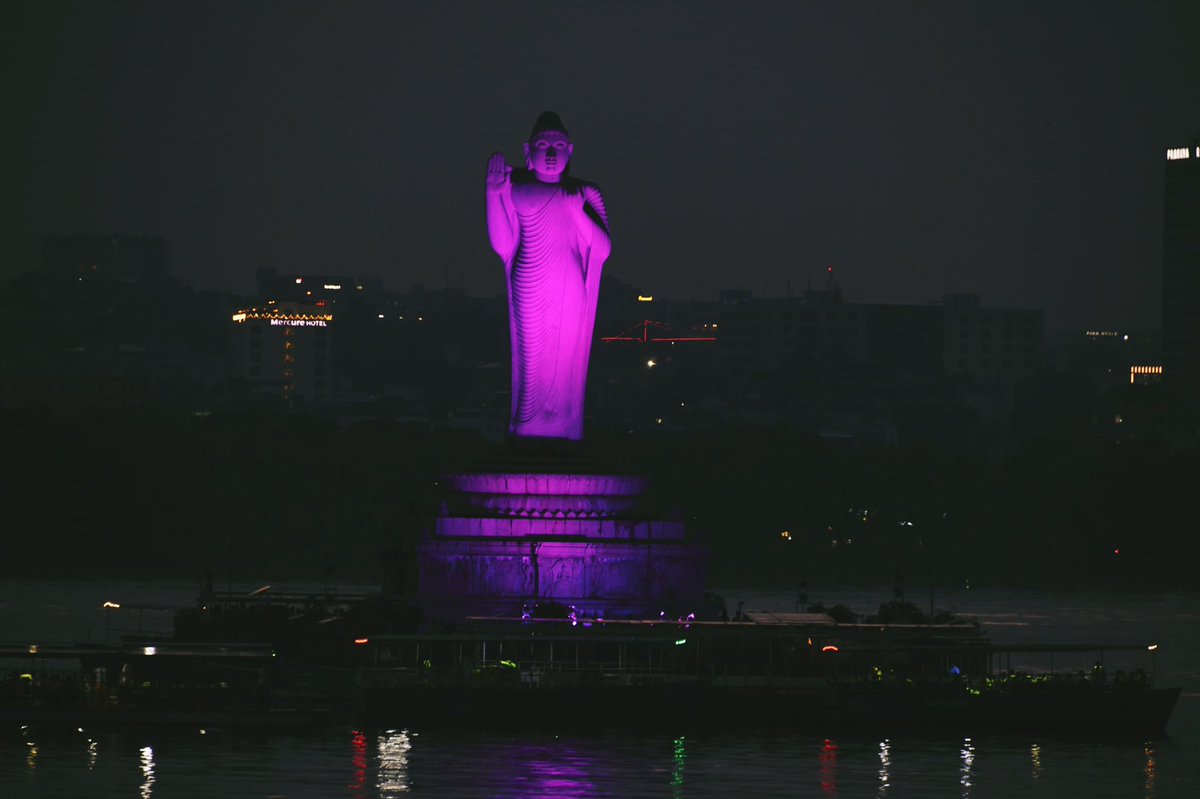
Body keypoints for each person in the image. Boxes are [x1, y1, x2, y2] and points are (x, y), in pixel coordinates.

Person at [486, 112, 611, 441]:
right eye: (543, 146)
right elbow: (502, 245)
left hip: (570, 284)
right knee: (533, 362)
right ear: (528, 151)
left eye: (558, 146)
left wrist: (577, 213)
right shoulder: (516, 189)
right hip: (529, 279)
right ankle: (527, 425)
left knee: (565, 360)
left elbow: (602, 250)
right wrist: (494, 194)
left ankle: (563, 424)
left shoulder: (585, 192)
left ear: (571, 150)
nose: (551, 153)